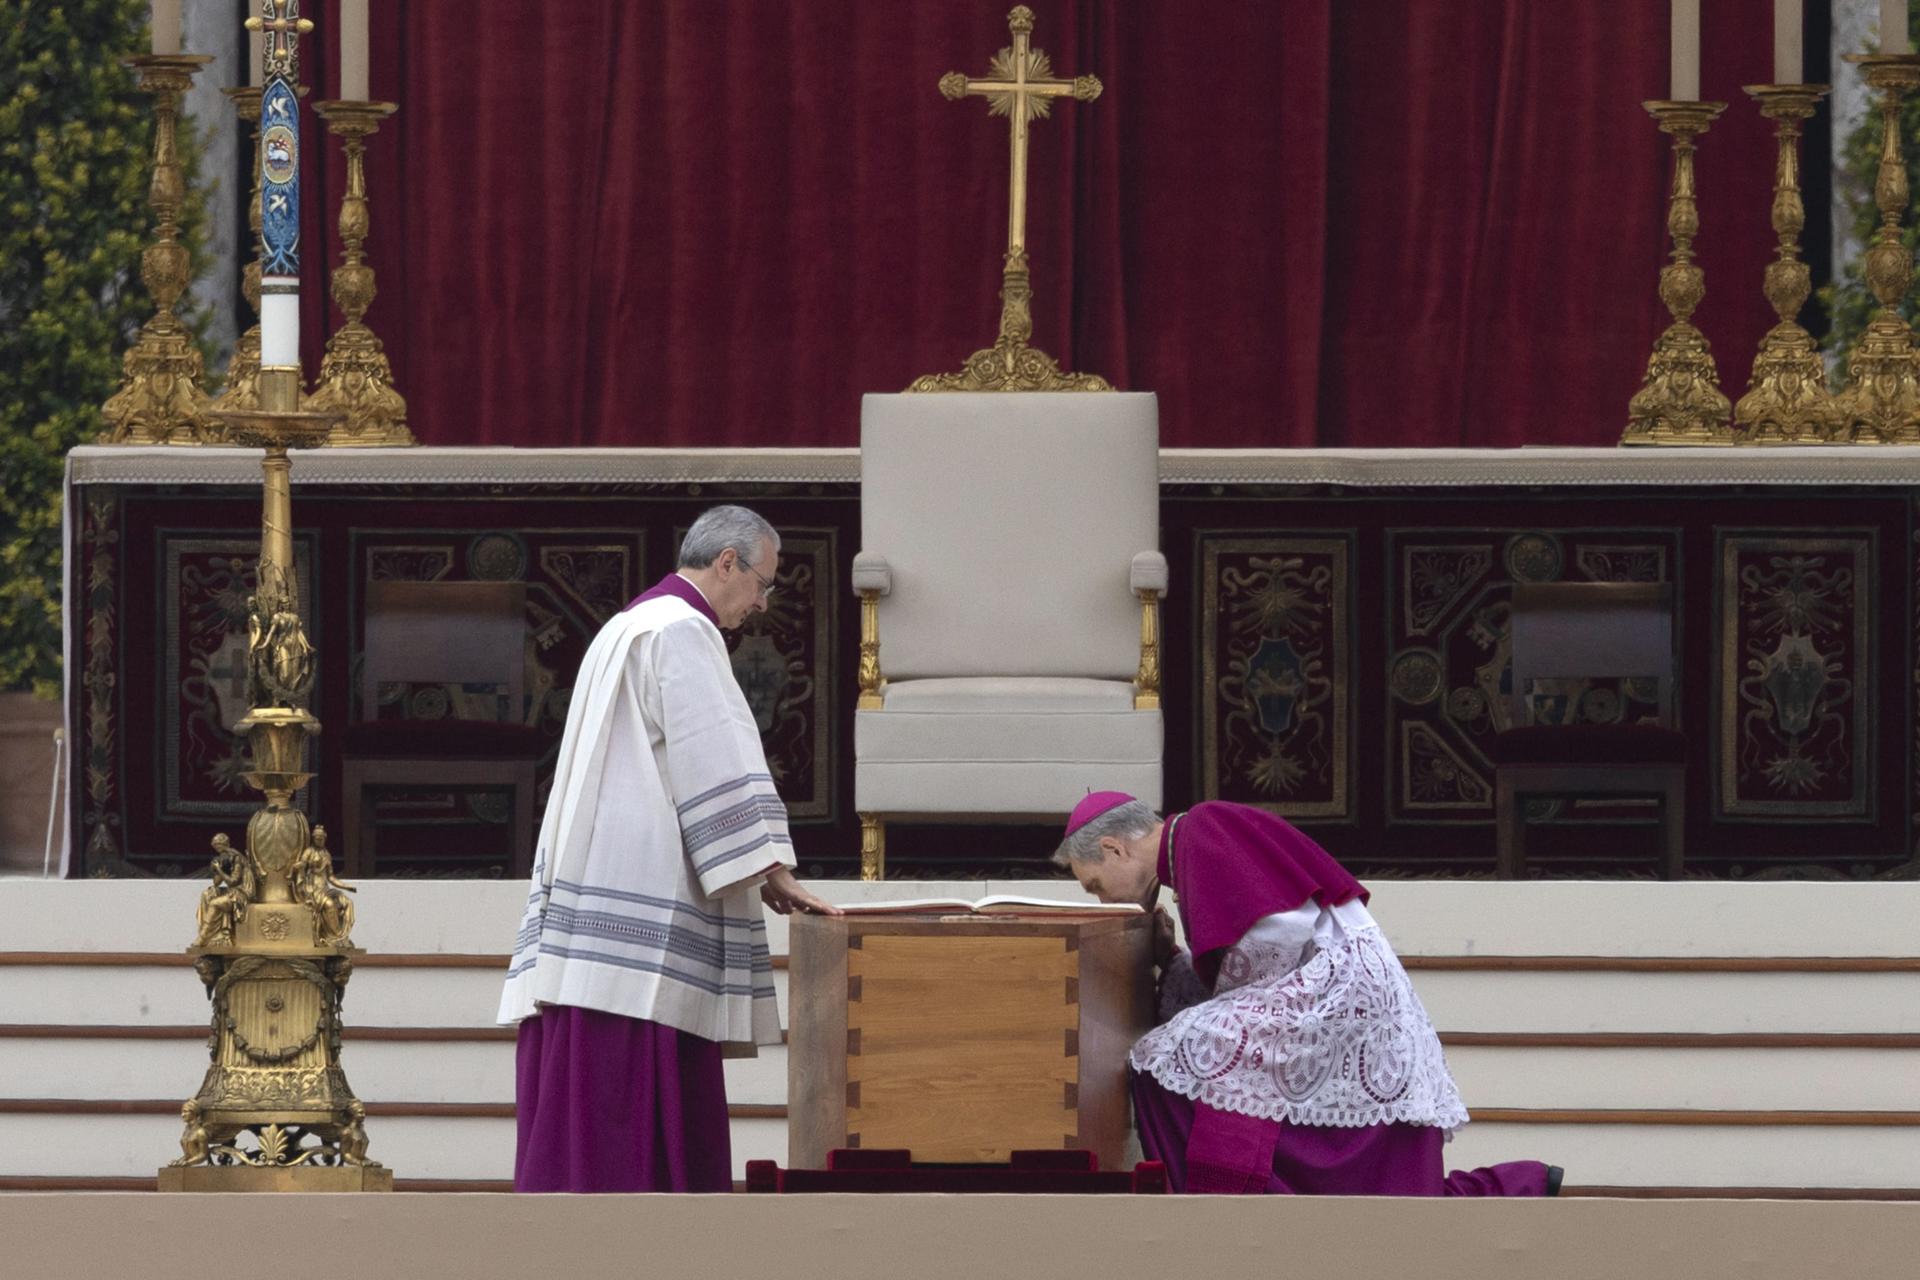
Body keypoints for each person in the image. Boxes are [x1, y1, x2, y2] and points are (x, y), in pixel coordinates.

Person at [498, 504, 839, 1192]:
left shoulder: (626, 625)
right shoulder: (684, 631)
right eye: (762, 583)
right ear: (726, 563)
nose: (763, 603)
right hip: (645, 878)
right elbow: (711, 751)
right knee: (636, 1054)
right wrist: (769, 868)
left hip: (595, 870)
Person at [1054, 792, 1558, 1197]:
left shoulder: (1201, 829)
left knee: (1158, 1057)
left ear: (1114, 849)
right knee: (1193, 1053)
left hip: (1335, 989)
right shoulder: (1189, 841)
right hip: (1333, 987)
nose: (1103, 898)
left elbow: (1280, 931)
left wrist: (1210, 999)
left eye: (1096, 884)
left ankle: (1215, 1199)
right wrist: (1179, 962)